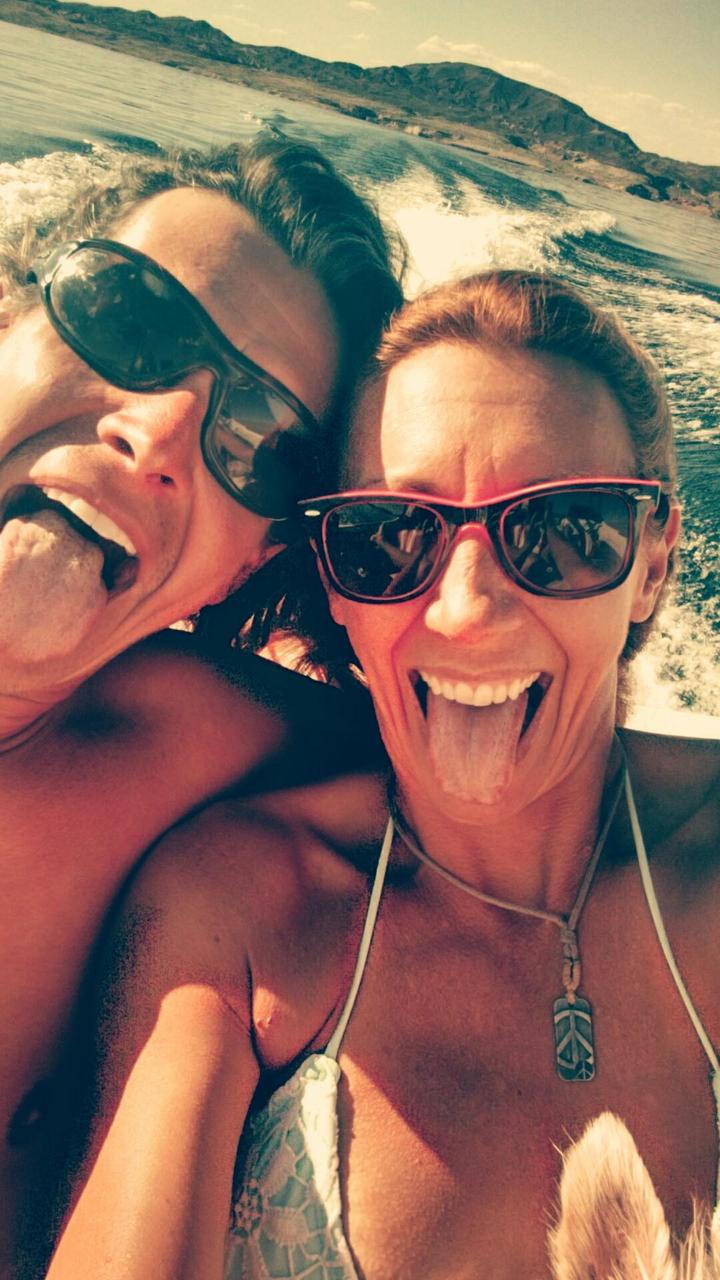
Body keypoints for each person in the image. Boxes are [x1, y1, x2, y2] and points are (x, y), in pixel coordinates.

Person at [46, 271, 720, 1280]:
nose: (466, 609)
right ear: (332, 577)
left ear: (654, 563)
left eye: (564, 529)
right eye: (388, 537)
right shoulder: (244, 910)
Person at [0, 133, 403, 1276]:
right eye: (128, 318)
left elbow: (544, 780)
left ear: (243, 568)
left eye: (261, 442)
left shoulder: (196, 746)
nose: (160, 433)